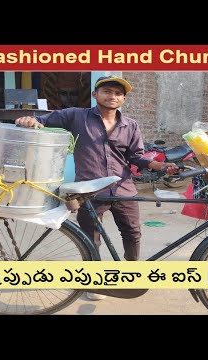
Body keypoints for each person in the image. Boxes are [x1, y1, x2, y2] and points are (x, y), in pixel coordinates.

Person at [15, 76, 178, 300]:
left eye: (118, 94)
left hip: (123, 189)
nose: (113, 96)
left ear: (123, 98)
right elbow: (42, 119)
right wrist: (29, 120)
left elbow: (136, 156)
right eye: (107, 91)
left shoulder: (130, 125)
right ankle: (94, 282)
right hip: (89, 191)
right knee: (91, 238)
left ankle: (130, 274)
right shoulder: (75, 115)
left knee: (132, 233)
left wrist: (158, 164)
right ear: (95, 94)